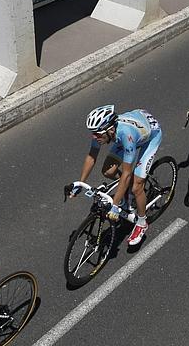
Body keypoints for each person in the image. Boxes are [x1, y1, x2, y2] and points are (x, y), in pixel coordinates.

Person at [69, 104, 161, 246]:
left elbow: (126, 173)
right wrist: (80, 183)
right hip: (135, 124)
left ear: (110, 130)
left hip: (150, 136)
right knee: (108, 171)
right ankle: (126, 193)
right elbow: (92, 156)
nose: (95, 137)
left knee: (137, 186)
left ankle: (142, 223)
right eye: (93, 133)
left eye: (98, 134)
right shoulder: (103, 131)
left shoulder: (126, 136)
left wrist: (115, 205)